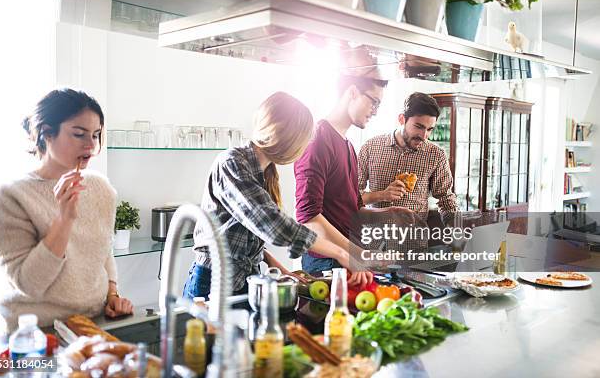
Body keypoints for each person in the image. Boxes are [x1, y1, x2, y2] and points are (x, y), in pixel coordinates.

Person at [183, 92, 373, 300]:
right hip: (212, 283)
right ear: (285, 137)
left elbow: (246, 233)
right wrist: (342, 253)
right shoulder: (232, 164)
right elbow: (274, 226)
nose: (305, 148)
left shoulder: (263, 171)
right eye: (304, 140)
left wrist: (277, 265)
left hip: (243, 280)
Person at [0, 89, 133, 333]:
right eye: (79, 134)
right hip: (33, 334)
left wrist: (112, 295)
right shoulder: (8, 197)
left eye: (97, 135)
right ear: (46, 133)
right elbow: (28, 284)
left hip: (92, 323)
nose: (91, 144)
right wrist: (64, 219)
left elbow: (102, 251)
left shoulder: (100, 188)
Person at [294, 49, 410, 274]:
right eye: (374, 102)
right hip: (325, 262)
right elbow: (308, 219)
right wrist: (360, 255)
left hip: (347, 258)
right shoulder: (317, 141)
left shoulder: (348, 144)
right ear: (353, 92)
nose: (375, 111)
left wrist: (387, 214)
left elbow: (352, 208)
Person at [358, 92, 458, 224]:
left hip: (413, 241)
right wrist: (382, 195)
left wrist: (456, 230)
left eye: (429, 129)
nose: (424, 136)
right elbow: (352, 196)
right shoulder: (370, 147)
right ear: (402, 119)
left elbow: (446, 200)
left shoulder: (436, 155)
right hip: (374, 240)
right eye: (419, 127)